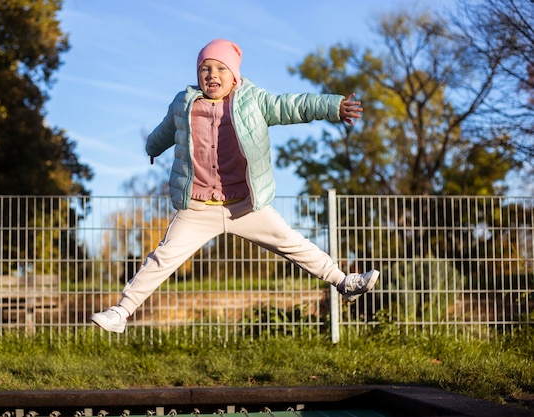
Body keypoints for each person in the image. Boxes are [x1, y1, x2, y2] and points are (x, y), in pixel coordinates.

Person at [92, 39, 379, 333]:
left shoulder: (253, 100)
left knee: (292, 243)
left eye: (220, 68)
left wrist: (333, 107)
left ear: (234, 76)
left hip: (244, 205)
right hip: (198, 207)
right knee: (162, 258)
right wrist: (152, 147)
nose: (211, 75)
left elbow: (292, 106)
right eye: (205, 69)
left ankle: (344, 282)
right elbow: (166, 130)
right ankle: (121, 312)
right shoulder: (184, 103)